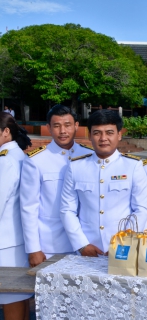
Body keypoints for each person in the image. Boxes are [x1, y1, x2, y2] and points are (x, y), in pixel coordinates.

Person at [60, 110, 147, 256]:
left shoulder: (133, 166)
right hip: (87, 249)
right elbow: (67, 209)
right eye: (97, 133)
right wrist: (82, 245)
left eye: (109, 132)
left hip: (122, 250)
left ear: (119, 135)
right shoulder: (76, 167)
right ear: (89, 135)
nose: (103, 138)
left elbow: (141, 209)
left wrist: (124, 243)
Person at [20, 105, 93, 267]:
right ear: (48, 128)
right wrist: (33, 248)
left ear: (76, 126)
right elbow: (28, 207)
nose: (62, 131)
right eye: (57, 126)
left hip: (88, 242)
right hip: (52, 244)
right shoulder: (36, 160)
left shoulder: (89, 156)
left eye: (67, 125)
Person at [0, 113, 31, 320]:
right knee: (19, 299)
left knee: (11, 300)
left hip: (6, 245)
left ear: (6, 132)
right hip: (15, 242)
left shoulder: (6, 161)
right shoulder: (18, 156)